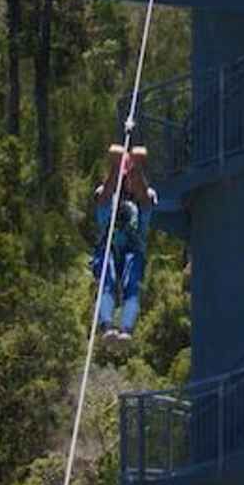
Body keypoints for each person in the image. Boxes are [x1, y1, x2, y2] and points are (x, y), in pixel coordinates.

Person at [90, 145, 156, 341]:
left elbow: (144, 197)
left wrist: (135, 167)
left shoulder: (145, 195)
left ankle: (126, 328)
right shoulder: (106, 195)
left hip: (133, 250)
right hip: (108, 248)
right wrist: (116, 168)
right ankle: (107, 325)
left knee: (132, 286)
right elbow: (104, 197)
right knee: (106, 280)